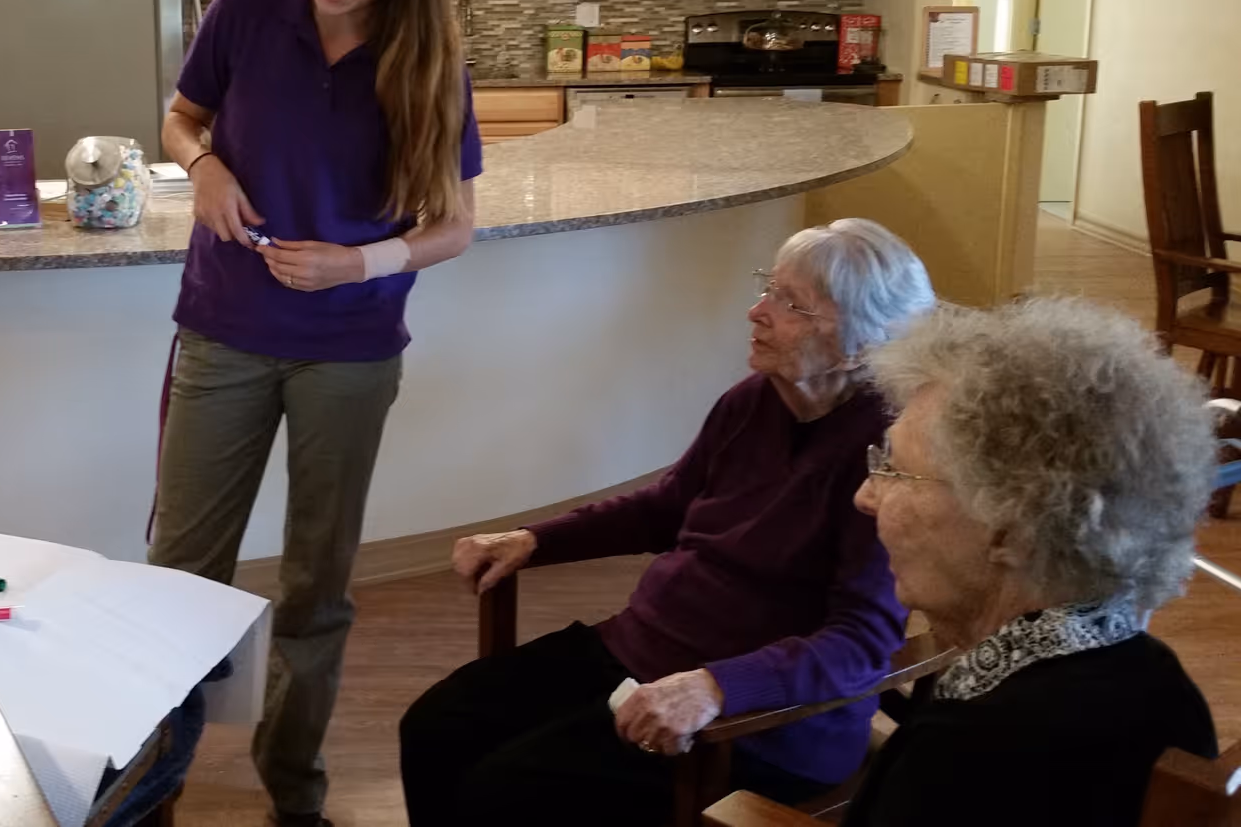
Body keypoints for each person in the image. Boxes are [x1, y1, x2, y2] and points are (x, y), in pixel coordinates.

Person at [147, 0, 481, 827]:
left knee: (315, 584)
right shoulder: (245, 13)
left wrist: (359, 263)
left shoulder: (428, 62)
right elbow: (178, 118)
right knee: (180, 572)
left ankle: (295, 794)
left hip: (352, 347)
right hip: (224, 328)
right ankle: (151, 784)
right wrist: (200, 164)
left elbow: (454, 227)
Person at [401, 219, 936, 826]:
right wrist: (534, 538)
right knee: (436, 726)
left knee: (504, 794)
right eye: (769, 288)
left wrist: (716, 687)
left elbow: (860, 644)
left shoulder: (887, 456)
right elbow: (668, 506)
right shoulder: (752, 402)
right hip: (641, 653)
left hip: (756, 721)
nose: (756, 311)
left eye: (791, 304)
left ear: (858, 345)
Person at [842, 298, 1217, 825]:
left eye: (895, 471)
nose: (866, 495)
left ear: (1009, 530)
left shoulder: (970, 751)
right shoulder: (1163, 681)